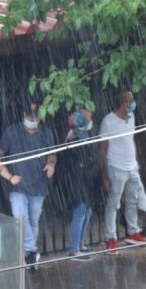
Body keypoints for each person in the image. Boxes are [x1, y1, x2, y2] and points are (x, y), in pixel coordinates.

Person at [0, 102, 57, 269]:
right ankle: (31, 250)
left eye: (35, 117)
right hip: (18, 184)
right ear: (24, 114)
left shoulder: (46, 133)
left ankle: (29, 256)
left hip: (39, 184)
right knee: (21, 219)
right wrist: (8, 174)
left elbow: (52, 154)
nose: (32, 119)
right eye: (30, 116)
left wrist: (51, 164)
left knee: (33, 221)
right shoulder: (12, 132)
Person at [99, 89, 146, 253]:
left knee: (133, 200)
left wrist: (136, 163)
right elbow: (102, 149)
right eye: (130, 101)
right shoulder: (108, 121)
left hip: (132, 167)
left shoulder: (132, 117)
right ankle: (110, 238)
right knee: (113, 204)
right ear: (123, 103)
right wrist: (105, 176)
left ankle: (132, 232)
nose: (133, 104)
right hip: (116, 167)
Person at [60, 110, 99, 261]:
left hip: (85, 181)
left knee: (87, 212)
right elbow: (74, 165)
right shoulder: (73, 140)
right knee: (80, 212)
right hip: (77, 182)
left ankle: (80, 244)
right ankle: (74, 250)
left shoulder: (83, 137)